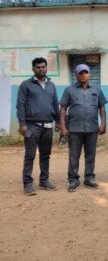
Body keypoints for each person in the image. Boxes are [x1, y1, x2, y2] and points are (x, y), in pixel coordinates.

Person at [60, 64, 107, 192]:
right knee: (74, 155)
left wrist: (103, 124)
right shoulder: (69, 90)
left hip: (92, 129)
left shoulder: (97, 89)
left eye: (86, 72)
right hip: (74, 129)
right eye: (80, 73)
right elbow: (63, 109)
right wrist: (63, 127)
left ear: (89, 74)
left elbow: (102, 108)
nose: (83, 75)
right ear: (76, 74)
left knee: (90, 155)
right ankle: (73, 180)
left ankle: (89, 178)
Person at [17, 57, 60, 196]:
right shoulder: (26, 85)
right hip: (32, 126)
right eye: (38, 67)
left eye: (43, 67)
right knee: (30, 155)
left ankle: (44, 180)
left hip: (48, 126)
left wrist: (58, 121)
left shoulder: (51, 85)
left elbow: (55, 104)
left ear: (46, 68)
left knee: (45, 155)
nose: (41, 69)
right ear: (33, 69)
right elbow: (20, 105)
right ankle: (28, 183)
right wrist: (22, 124)